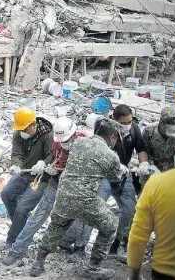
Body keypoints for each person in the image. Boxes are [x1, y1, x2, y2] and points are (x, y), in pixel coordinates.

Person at [29, 118, 124, 278]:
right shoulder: (110, 155)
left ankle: (38, 264)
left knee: (55, 227)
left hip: (63, 194)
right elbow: (115, 178)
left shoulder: (78, 143)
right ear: (113, 137)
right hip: (85, 200)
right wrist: (121, 169)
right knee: (111, 225)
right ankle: (94, 268)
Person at [2, 117, 90, 265]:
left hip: (76, 186)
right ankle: (17, 250)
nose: (64, 144)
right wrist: (50, 168)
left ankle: (77, 247)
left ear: (74, 134)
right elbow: (54, 158)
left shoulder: (86, 145)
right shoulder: (56, 142)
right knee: (38, 216)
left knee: (82, 217)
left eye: (66, 140)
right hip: (55, 183)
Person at [127, 111, 175, 280]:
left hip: (167, 270)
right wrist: (147, 165)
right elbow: (144, 151)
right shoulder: (150, 133)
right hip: (155, 173)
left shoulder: (158, 184)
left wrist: (134, 275)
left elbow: (138, 235)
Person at [1, 107, 53, 246]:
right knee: (6, 194)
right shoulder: (19, 134)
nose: (23, 132)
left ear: (33, 125)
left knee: (23, 208)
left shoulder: (47, 135)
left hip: (41, 178)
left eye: (25, 129)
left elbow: (52, 155)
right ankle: (20, 225)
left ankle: (13, 240)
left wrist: (43, 163)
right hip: (25, 173)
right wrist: (16, 165)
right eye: (21, 130)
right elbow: (17, 153)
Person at [105, 104, 147, 258]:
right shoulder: (105, 128)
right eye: (123, 123)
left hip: (123, 173)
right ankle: (81, 245)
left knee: (129, 209)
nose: (127, 125)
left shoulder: (133, 128)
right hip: (104, 174)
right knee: (94, 205)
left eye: (129, 122)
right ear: (114, 119)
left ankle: (118, 243)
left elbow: (140, 149)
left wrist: (143, 163)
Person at [140, 107, 175, 178]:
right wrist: (149, 165)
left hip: (173, 171)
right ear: (162, 123)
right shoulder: (149, 131)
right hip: (153, 170)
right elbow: (144, 150)